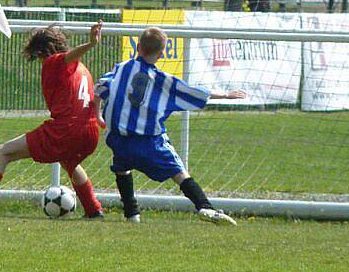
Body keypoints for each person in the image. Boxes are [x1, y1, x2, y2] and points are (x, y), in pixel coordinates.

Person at [0, 22, 106, 219]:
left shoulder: (54, 62)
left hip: (67, 129)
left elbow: (68, 57)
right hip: (90, 133)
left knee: (2, 152)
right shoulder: (83, 70)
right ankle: (94, 209)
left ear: (40, 51)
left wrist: (91, 44)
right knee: (70, 163)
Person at [96, 27, 245, 225]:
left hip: (118, 140)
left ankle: (132, 214)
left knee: (122, 168)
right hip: (149, 142)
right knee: (179, 173)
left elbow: (100, 87)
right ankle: (205, 207)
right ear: (162, 53)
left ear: (138, 47)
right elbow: (190, 92)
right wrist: (225, 95)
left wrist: (98, 114)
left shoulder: (121, 68)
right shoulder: (162, 80)